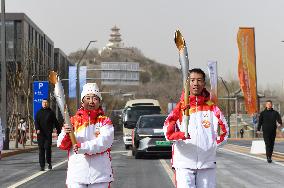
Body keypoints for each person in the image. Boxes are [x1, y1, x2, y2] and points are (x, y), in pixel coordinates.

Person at [163, 68, 229, 188]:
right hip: (184, 163)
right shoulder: (181, 107)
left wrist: (212, 144)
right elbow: (168, 133)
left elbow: (225, 130)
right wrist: (181, 135)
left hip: (207, 164)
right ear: (188, 83)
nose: (195, 83)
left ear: (203, 83)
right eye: (192, 80)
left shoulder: (212, 108)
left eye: (199, 80)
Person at [57, 83, 114, 188]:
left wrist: (82, 147)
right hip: (77, 176)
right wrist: (66, 134)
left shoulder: (105, 121)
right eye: (88, 98)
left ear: (99, 101)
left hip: (100, 176)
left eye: (95, 98)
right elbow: (61, 144)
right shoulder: (72, 121)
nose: (91, 101)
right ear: (83, 101)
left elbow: (104, 143)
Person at [35, 99, 61, 171]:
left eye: (46, 102)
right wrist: (37, 129)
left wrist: (59, 132)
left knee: (47, 148)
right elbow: (36, 122)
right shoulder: (38, 112)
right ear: (42, 103)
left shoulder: (51, 113)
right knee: (41, 150)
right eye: (43, 102)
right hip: (40, 135)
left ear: (48, 103)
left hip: (48, 134)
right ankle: (42, 166)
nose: (45, 104)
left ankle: (49, 162)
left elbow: (56, 123)